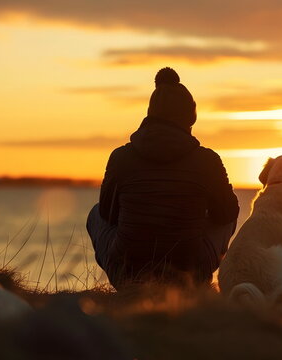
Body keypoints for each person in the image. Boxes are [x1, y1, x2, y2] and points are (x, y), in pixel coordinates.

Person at [86, 67, 239, 288]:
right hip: (189, 275)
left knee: (95, 213)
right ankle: (194, 283)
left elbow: (107, 215)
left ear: (150, 113)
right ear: (191, 117)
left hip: (128, 274)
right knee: (228, 216)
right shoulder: (208, 160)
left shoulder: (120, 157)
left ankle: (132, 286)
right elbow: (227, 213)